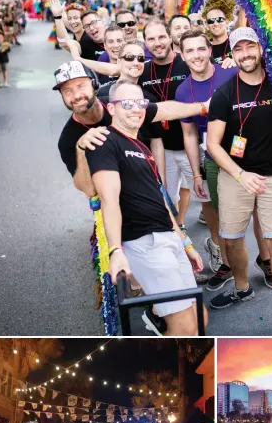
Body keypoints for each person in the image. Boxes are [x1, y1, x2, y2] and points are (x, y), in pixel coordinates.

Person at [86, 80, 208, 337]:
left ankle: (158, 322)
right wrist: (115, 250)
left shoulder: (142, 147)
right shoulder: (105, 141)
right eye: (127, 103)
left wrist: (185, 243)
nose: (136, 109)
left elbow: (161, 200)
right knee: (185, 328)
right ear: (111, 109)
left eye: (140, 103)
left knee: (201, 318)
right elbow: (109, 199)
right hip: (145, 242)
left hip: (169, 240)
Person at [207, 27, 272, 335]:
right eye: (239, 50)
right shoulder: (224, 93)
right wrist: (239, 174)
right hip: (236, 175)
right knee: (231, 240)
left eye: (250, 48)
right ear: (232, 54)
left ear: (260, 49)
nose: (246, 54)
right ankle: (243, 287)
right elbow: (213, 144)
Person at [177, 28, 272, 291]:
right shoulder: (183, 90)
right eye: (189, 51)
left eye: (200, 49)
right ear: (182, 56)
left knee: (258, 210)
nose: (196, 55)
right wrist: (196, 174)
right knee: (223, 215)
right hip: (215, 157)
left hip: (249, 154)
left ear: (210, 50)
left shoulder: (231, 72)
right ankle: (230, 265)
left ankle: (265, 260)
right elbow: (189, 134)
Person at [55, 60, 211, 199]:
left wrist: (204, 106)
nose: (76, 95)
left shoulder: (118, 107)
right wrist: (81, 150)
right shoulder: (68, 139)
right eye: (67, 91)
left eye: (81, 86)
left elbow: (163, 110)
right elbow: (88, 190)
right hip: (112, 201)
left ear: (94, 84)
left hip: (145, 186)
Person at [138, 19, 192, 231]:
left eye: (161, 37)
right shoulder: (141, 71)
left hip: (191, 143)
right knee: (167, 196)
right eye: (151, 39)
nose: (157, 42)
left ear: (170, 37)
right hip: (161, 147)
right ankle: (176, 230)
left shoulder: (187, 62)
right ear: (145, 43)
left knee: (201, 195)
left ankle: (182, 224)